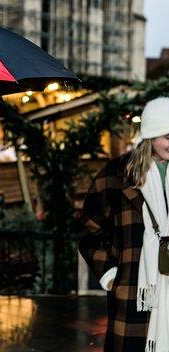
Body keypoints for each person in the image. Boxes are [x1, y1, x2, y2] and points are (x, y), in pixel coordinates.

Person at [79, 97, 169, 352]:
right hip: (133, 291)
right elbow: (89, 230)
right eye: (167, 136)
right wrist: (110, 277)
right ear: (151, 134)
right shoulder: (116, 174)